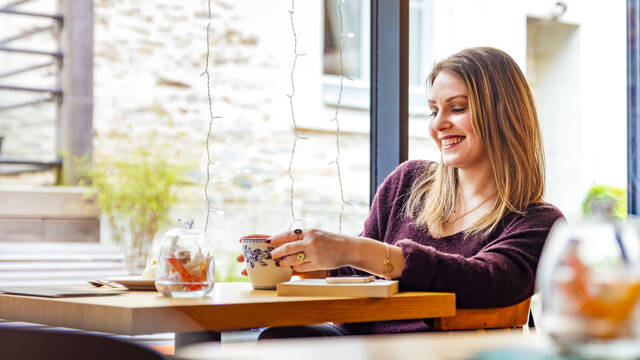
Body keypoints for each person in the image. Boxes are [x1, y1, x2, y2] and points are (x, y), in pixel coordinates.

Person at [238, 47, 564, 338]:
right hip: (356, 343)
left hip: (432, 351)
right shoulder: (409, 182)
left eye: (458, 108)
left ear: (503, 114)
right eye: (434, 110)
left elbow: (486, 282)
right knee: (284, 337)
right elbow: (361, 275)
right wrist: (314, 262)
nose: (438, 125)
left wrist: (354, 249)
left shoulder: (539, 223)